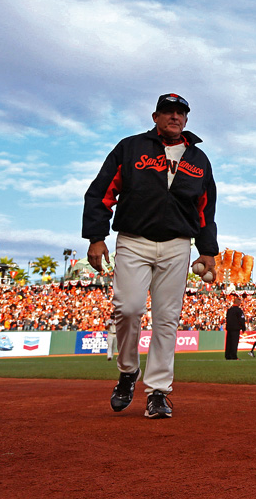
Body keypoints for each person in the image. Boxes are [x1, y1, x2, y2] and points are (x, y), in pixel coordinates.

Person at [82, 92, 218, 419]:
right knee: (127, 308)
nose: (175, 117)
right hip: (133, 239)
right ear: (155, 117)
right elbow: (102, 191)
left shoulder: (198, 159)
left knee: (167, 318)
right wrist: (96, 236)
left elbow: (205, 209)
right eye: (168, 111)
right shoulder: (131, 148)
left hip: (177, 244)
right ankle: (128, 370)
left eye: (181, 112)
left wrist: (208, 251)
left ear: (186, 119)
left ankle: (158, 391)